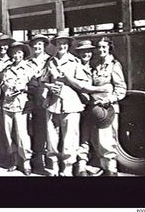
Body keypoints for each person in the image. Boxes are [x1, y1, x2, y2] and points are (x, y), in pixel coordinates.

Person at [63, 40, 114, 176]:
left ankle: (108, 170)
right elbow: (79, 86)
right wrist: (102, 88)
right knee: (82, 137)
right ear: (78, 53)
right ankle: (81, 167)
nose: (86, 54)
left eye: (89, 51)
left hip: (96, 108)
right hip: (79, 108)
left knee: (101, 139)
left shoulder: (94, 68)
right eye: (83, 51)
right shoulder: (73, 66)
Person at [41, 31, 89, 176]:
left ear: (68, 46)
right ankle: (53, 167)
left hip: (71, 103)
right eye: (59, 43)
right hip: (52, 103)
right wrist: (49, 87)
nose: (61, 46)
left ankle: (67, 168)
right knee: (51, 136)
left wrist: (69, 82)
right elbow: (42, 81)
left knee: (70, 138)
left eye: (64, 43)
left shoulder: (75, 62)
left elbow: (84, 83)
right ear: (55, 45)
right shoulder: (50, 62)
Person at [89, 37, 127, 176]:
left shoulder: (114, 65)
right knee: (97, 140)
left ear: (109, 48)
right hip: (97, 110)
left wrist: (109, 100)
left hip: (108, 109)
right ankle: (104, 168)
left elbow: (121, 89)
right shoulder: (97, 65)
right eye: (99, 47)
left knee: (106, 140)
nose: (101, 50)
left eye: (104, 47)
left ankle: (111, 169)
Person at [0, 42, 34, 176]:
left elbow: (34, 84)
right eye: (14, 53)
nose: (17, 55)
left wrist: (24, 88)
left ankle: (26, 161)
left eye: (19, 52)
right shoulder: (7, 68)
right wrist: (5, 89)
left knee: (22, 134)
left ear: (23, 54)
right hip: (7, 104)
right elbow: (2, 82)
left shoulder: (28, 68)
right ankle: (14, 159)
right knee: (8, 133)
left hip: (21, 104)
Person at [26, 34, 50, 171]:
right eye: (35, 44)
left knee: (44, 129)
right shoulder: (28, 61)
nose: (37, 47)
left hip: (44, 98)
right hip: (30, 99)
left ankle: (45, 159)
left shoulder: (49, 60)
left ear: (44, 46)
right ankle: (35, 159)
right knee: (32, 129)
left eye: (39, 44)